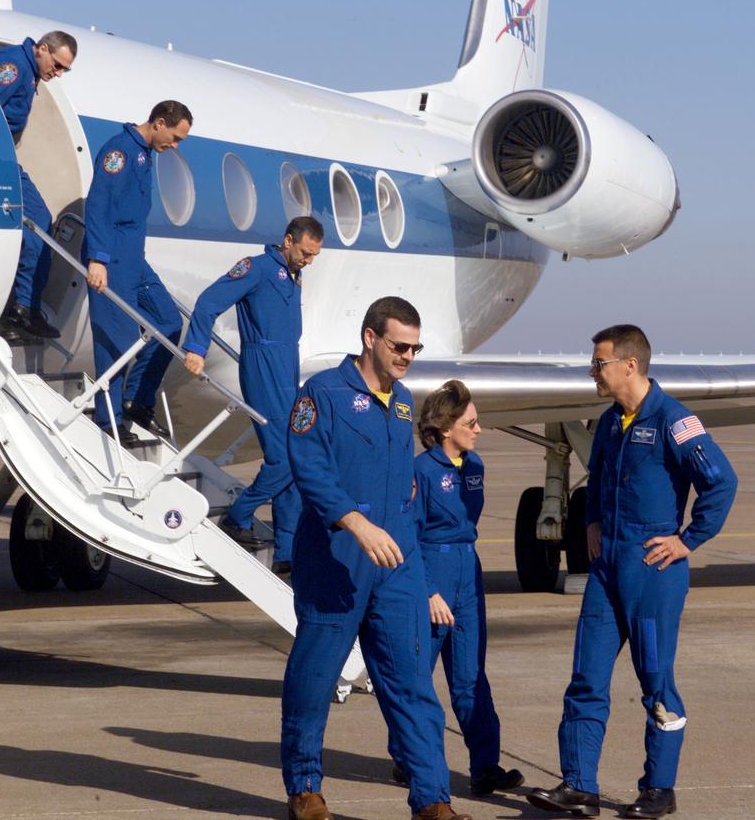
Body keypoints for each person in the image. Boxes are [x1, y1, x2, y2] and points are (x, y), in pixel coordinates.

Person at [527, 324, 737, 820]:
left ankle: (658, 788)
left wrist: (687, 540)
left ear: (630, 365)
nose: (592, 371)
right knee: (586, 677)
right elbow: (599, 478)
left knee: (655, 681)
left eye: (599, 363)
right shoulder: (609, 421)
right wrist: (595, 521)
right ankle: (579, 785)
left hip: (652, 569)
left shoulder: (674, 420)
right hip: (607, 569)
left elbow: (721, 483)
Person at [281, 297, 471, 820]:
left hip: (396, 563)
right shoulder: (322, 393)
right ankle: (305, 789)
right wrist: (354, 521)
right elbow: (308, 464)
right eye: (399, 345)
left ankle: (432, 800)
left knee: (412, 683)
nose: (408, 355)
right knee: (315, 680)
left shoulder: (406, 401)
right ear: (370, 338)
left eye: (415, 347)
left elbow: (402, 485)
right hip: (336, 556)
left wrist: (417, 567)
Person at [388, 379, 524, 796]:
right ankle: (407, 759)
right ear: (445, 427)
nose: (479, 429)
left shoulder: (476, 467)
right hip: (431, 572)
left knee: (470, 678)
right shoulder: (421, 471)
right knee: (417, 676)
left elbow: (469, 523)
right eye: (471, 422)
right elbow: (408, 535)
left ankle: (485, 766)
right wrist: (428, 591)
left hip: (468, 572)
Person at [181, 217, 323, 569]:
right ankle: (239, 516)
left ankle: (287, 552)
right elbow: (208, 301)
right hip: (263, 366)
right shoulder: (256, 269)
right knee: (285, 459)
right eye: (305, 252)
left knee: (294, 456)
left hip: (288, 366)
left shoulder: (293, 275)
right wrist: (195, 348)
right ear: (288, 240)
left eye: (314, 255)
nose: (309, 260)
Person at [82, 101, 193, 442]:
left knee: (169, 322)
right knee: (116, 343)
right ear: (159, 123)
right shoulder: (120, 151)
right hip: (112, 258)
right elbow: (99, 204)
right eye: (174, 137)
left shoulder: (145, 154)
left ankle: (136, 400)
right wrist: (98, 258)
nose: (174, 146)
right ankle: (108, 422)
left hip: (134, 260)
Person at [0, 31, 78, 340]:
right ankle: (21, 308)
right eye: (58, 64)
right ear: (41, 49)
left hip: (3, 157)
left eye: (65, 69)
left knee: (40, 223)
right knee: (35, 224)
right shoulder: (13, 66)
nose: (59, 73)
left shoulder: (28, 69)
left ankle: (26, 307)